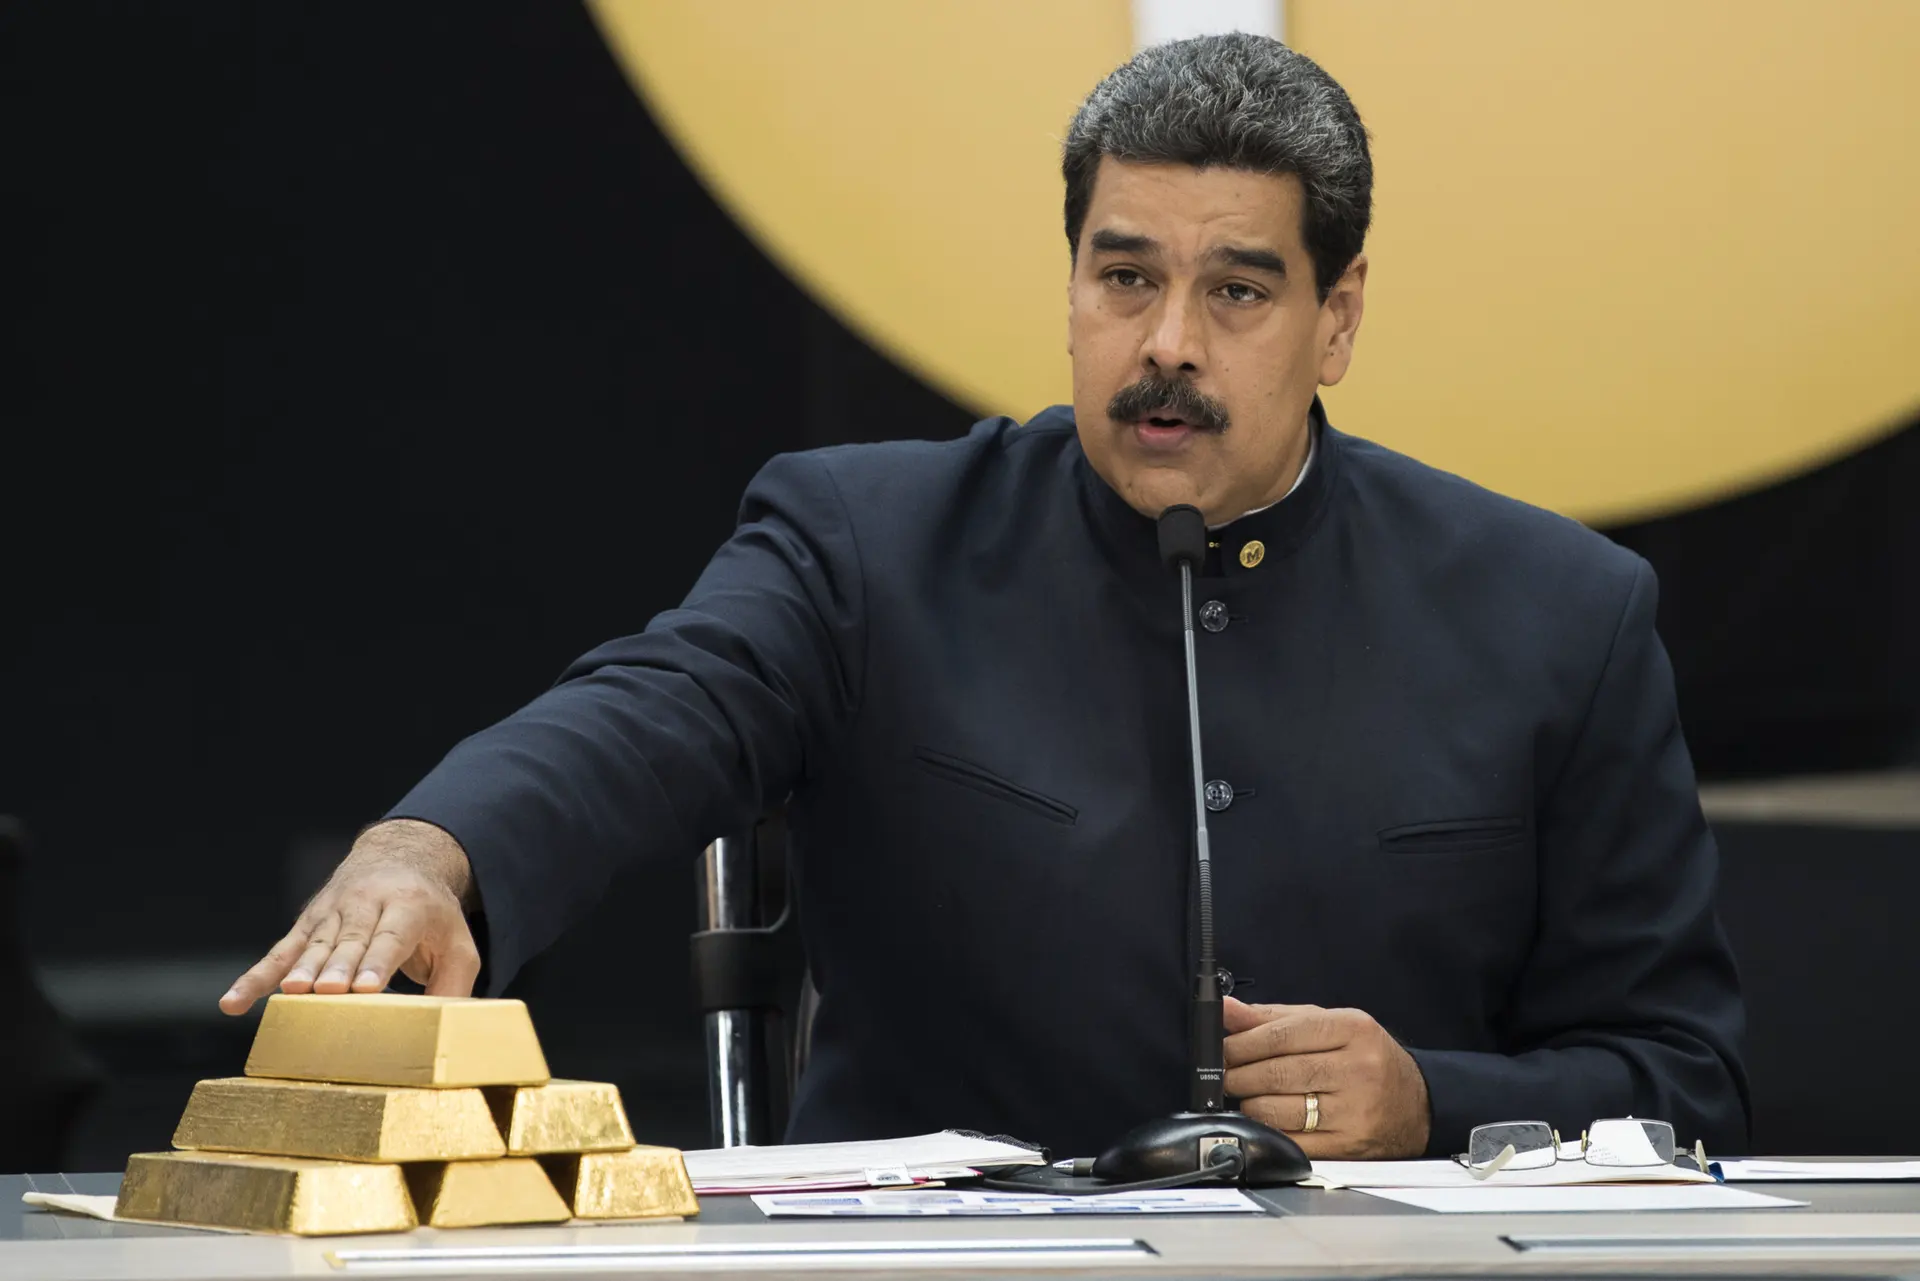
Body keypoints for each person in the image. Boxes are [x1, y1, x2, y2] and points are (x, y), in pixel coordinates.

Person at [221, 34, 1748, 1160]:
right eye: (1124, 277)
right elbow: (651, 708)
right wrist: (432, 851)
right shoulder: (871, 545)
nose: (1168, 343)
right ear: (1071, 280)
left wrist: (1433, 1103)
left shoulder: (1559, 613)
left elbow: (1688, 1082)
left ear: (1336, 319)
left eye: (1236, 291)